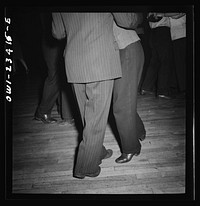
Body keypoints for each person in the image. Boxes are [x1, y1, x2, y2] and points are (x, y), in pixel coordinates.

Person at [52, 12, 140, 178]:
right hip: (100, 58)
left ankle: (97, 151)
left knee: (86, 114)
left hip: (74, 60)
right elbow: (126, 20)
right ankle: (86, 166)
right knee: (96, 117)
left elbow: (57, 33)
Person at [112, 17, 146, 164]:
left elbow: (128, 19)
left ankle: (131, 148)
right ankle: (139, 131)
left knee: (122, 103)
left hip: (127, 47)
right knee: (122, 99)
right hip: (119, 50)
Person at [34, 13, 74, 124]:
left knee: (62, 75)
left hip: (56, 39)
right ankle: (42, 112)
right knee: (55, 77)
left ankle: (66, 114)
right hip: (52, 40)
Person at [141, 12, 175, 99]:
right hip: (163, 31)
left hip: (152, 33)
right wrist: (165, 14)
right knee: (165, 61)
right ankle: (163, 91)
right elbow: (178, 13)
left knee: (154, 61)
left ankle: (146, 88)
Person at [169, 13, 186, 94]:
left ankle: (183, 87)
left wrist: (162, 14)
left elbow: (176, 15)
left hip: (182, 34)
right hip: (175, 36)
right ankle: (181, 87)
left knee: (181, 63)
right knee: (179, 63)